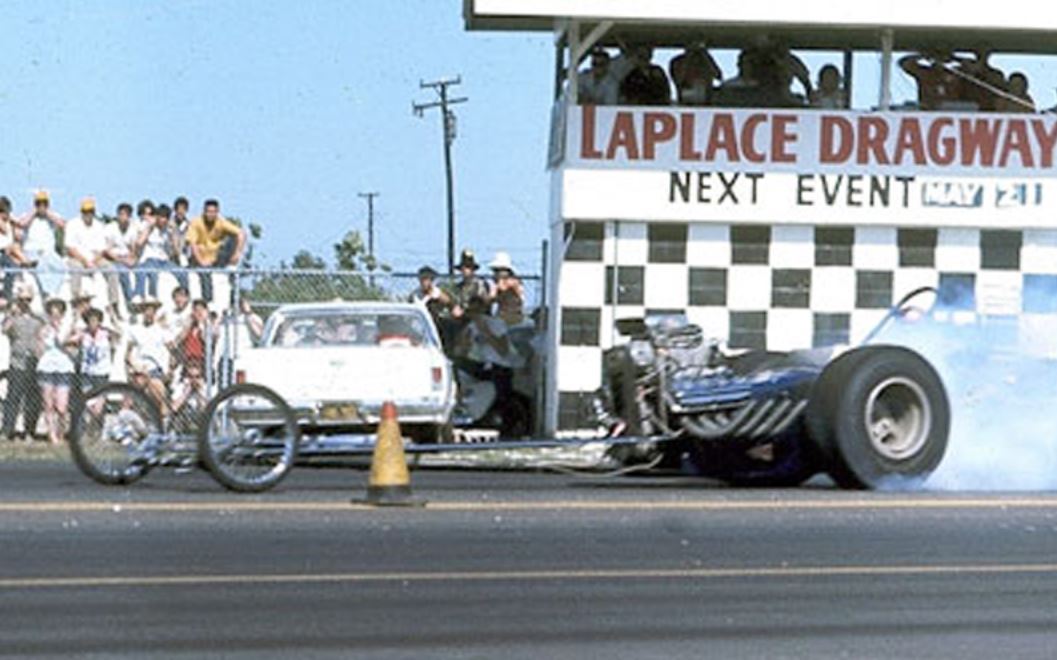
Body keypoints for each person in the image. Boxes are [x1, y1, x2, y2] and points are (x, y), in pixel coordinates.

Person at [64, 197, 123, 314]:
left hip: (96, 258)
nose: (88, 214)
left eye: (90, 211)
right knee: (76, 269)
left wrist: (93, 261)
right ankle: (76, 301)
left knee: (112, 270)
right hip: (77, 257)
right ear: (81, 212)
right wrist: (85, 261)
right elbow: (70, 248)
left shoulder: (99, 226)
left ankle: (114, 303)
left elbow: (102, 249)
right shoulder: (72, 224)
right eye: (85, 211)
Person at [3, 284, 44, 441]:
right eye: (22, 299)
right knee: (13, 397)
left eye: (28, 299)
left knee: (32, 399)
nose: (25, 302)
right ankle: (8, 430)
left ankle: (30, 430)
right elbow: (5, 329)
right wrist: (12, 313)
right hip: (17, 362)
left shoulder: (37, 318)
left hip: (33, 361)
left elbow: (42, 333)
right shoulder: (13, 318)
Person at [185, 199, 246, 303]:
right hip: (200, 258)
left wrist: (237, 253)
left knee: (231, 240)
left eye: (213, 212)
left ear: (217, 212)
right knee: (205, 274)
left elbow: (241, 234)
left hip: (216, 258)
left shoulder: (221, 222)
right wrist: (201, 262)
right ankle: (208, 300)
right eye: (208, 212)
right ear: (204, 211)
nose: (210, 215)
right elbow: (193, 245)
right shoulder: (196, 222)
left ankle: (233, 295)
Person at [36, 297, 76, 444]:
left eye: (58, 313)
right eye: (52, 313)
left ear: (63, 314)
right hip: (47, 368)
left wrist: (63, 335)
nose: (55, 317)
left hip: (64, 368)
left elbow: (73, 347)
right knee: (48, 404)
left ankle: (61, 432)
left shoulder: (69, 328)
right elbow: (39, 349)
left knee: (62, 406)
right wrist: (42, 338)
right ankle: (51, 435)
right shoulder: (44, 329)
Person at [125, 296, 171, 415]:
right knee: (132, 392)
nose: (149, 313)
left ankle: (162, 420)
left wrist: (170, 369)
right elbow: (128, 354)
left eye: (152, 310)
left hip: (155, 369)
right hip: (139, 369)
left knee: (157, 387)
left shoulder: (161, 330)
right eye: (146, 309)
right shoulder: (134, 330)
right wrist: (134, 366)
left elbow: (173, 350)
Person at [15, 190, 66, 298]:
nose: (41, 206)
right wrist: (34, 212)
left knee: (61, 266)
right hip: (31, 251)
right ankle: (45, 292)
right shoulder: (27, 215)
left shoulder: (52, 216)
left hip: (48, 251)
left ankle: (52, 292)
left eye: (44, 203)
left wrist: (47, 213)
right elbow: (21, 224)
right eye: (39, 203)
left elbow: (62, 224)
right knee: (40, 266)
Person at [135, 203, 188, 298]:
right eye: (161, 217)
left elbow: (176, 251)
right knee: (153, 275)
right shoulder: (147, 226)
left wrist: (173, 233)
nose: (163, 220)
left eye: (166, 218)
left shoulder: (168, 230)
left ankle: (184, 297)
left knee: (183, 273)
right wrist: (149, 227)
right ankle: (152, 299)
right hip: (149, 259)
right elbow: (139, 243)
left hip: (164, 261)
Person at [70, 307, 120, 393]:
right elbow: (65, 340)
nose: (92, 323)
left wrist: (113, 318)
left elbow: (120, 334)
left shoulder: (105, 333)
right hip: (87, 373)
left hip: (102, 372)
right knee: (88, 400)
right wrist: (74, 321)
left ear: (99, 321)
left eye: (94, 320)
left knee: (100, 398)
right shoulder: (83, 334)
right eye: (90, 321)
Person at [0, 196, 36, 307]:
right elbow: (4, 230)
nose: (7, 214)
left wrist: (33, 211)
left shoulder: (9, 223)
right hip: (2, 251)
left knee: (14, 264)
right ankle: (25, 261)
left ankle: (23, 262)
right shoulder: (4, 223)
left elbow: (21, 224)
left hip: (8, 253)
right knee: (13, 250)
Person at [103, 202, 140, 308]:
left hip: (126, 258)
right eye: (121, 214)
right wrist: (121, 260)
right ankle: (130, 301)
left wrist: (132, 259)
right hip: (113, 259)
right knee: (123, 272)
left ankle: (138, 297)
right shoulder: (110, 228)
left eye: (126, 215)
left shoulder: (133, 229)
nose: (123, 217)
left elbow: (133, 248)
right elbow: (106, 250)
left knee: (140, 271)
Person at [450, 249, 490, 321]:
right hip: (462, 320)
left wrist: (464, 312)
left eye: (468, 267)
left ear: (473, 269)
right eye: (464, 267)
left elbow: (481, 304)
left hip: (479, 320)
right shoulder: (458, 287)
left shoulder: (480, 284)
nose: (466, 270)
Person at [170, 360, 208, 434]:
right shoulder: (181, 387)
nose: (194, 380)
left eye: (197, 377)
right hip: (184, 422)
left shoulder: (207, 389)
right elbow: (174, 408)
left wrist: (199, 392)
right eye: (191, 377)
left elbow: (207, 410)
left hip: (202, 422)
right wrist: (186, 393)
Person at [488, 251, 525, 326]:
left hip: (513, 317)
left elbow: (503, 287)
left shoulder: (513, 281)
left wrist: (497, 283)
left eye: (497, 271)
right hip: (502, 317)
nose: (495, 274)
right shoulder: (500, 285)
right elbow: (491, 299)